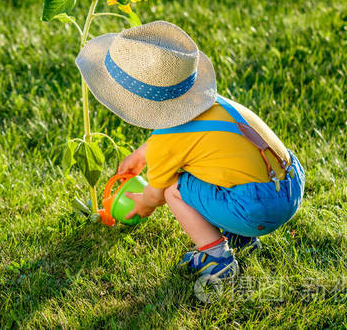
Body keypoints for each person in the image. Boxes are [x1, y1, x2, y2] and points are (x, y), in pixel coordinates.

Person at [76, 20, 305, 280]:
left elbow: (156, 194)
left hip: (259, 207)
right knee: (221, 169)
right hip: (290, 184)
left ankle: (217, 258)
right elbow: (187, 141)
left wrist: (143, 204)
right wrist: (143, 154)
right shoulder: (214, 104)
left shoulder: (166, 141)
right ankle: (241, 236)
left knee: (174, 190)